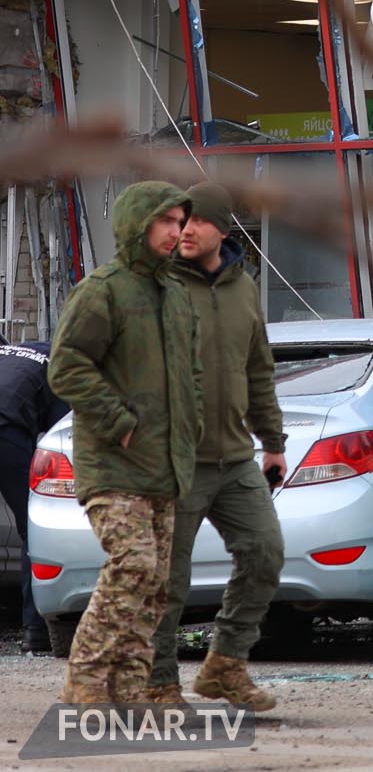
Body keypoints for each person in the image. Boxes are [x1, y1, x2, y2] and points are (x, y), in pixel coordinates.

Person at [46, 182, 198, 705]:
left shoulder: (176, 293)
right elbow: (65, 367)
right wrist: (119, 420)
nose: (177, 232)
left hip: (165, 466)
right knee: (133, 565)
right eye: (166, 221)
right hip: (113, 464)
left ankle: (133, 691)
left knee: (156, 585)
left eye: (181, 222)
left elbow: (186, 376)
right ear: (137, 223)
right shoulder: (102, 291)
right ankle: (84, 685)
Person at [145, 183, 281, 711]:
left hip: (235, 457)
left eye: (198, 221)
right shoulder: (157, 285)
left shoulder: (244, 287)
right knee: (168, 580)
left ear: (222, 229)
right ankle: (158, 685)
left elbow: (258, 370)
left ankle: (225, 666)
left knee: (265, 554)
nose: (185, 230)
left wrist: (273, 442)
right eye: (181, 221)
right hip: (175, 462)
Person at [1, 338, 67, 653]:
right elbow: (62, 434)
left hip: (8, 421)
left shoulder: (9, 353)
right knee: (32, 531)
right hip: (6, 429)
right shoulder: (57, 365)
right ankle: (35, 632)